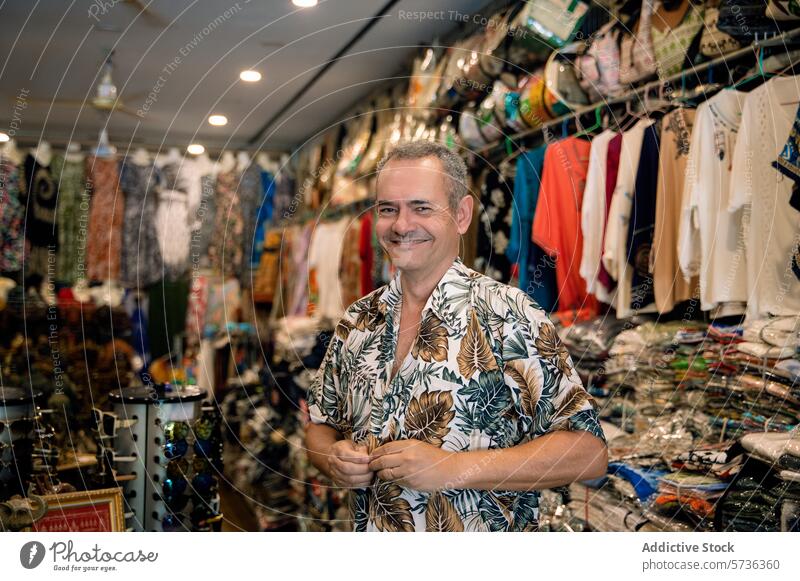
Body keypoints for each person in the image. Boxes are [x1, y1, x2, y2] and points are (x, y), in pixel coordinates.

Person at [305, 141, 607, 531]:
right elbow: (319, 424)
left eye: (422, 207)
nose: (401, 225)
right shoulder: (357, 321)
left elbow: (588, 453)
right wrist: (333, 458)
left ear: (461, 215)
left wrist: (453, 468)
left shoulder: (509, 315)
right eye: (387, 209)